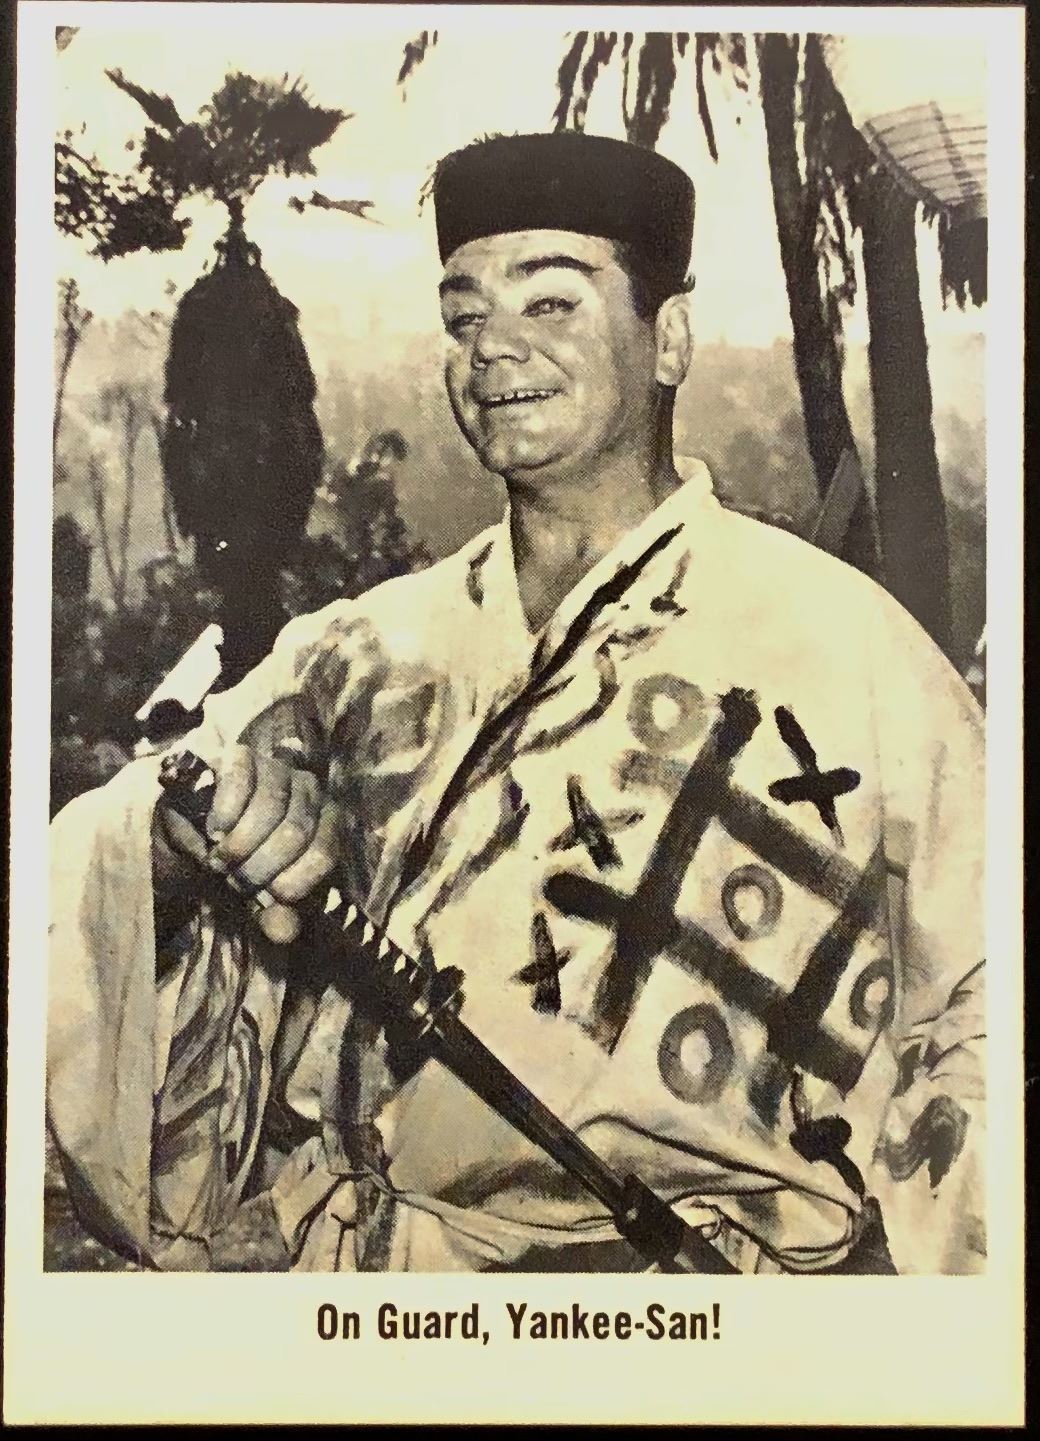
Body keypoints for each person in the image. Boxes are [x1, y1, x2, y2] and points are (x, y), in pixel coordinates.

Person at [48, 132, 984, 1275]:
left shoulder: (849, 648)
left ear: (669, 337)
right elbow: (109, 859)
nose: (491, 345)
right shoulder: (354, 655)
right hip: (394, 1297)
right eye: (463, 315)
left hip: (714, 1313)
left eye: (549, 301)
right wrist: (177, 846)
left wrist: (922, 1305)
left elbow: (983, 1003)